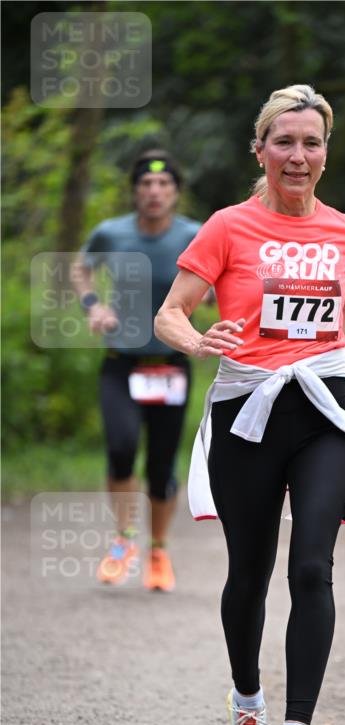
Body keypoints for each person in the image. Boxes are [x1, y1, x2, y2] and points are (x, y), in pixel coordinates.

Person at [155, 84, 345, 725]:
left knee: (312, 567)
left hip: (325, 408)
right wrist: (198, 341)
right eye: (283, 142)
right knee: (249, 573)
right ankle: (248, 706)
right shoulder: (228, 227)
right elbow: (171, 312)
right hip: (247, 410)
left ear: (325, 153)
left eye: (309, 142)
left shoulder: (344, 230)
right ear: (260, 150)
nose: (297, 154)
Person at [71, 150, 205, 591]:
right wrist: (94, 306)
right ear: (135, 191)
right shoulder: (111, 233)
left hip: (170, 365)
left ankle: (159, 550)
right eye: (146, 185)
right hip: (121, 364)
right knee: (123, 448)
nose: (154, 192)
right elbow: (80, 269)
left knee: (162, 465)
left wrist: (207, 302)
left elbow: (223, 277)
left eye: (164, 185)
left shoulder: (194, 234)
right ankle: (124, 539)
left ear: (175, 191)